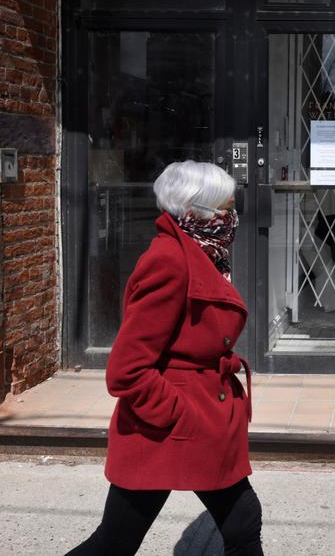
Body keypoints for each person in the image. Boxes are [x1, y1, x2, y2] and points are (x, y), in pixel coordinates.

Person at [66, 160, 263, 556]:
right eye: (224, 209)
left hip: (200, 419)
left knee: (243, 520)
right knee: (114, 543)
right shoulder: (169, 261)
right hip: (164, 428)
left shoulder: (203, 252)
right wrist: (180, 414)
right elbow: (126, 370)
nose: (232, 219)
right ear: (193, 212)